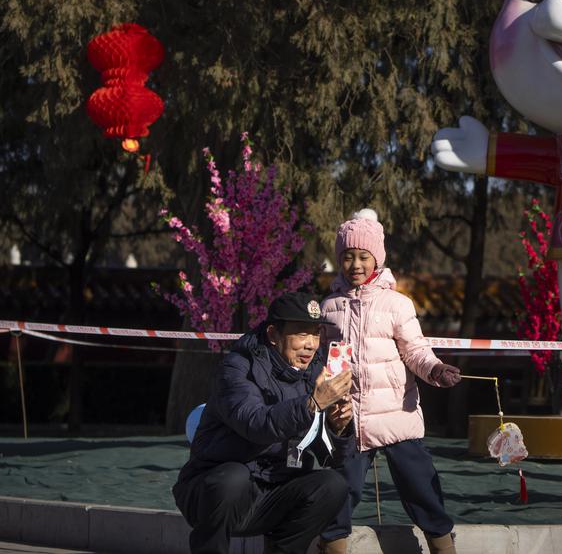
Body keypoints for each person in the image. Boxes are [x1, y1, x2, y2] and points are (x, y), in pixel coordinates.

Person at [317, 209, 462, 554]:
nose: (355, 264)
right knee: (340, 489)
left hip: (398, 414)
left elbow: (416, 351)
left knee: (421, 487)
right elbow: (321, 360)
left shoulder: (397, 304)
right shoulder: (328, 307)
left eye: (363, 256)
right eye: (348, 256)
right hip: (347, 417)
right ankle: (333, 547)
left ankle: (443, 546)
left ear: (377, 259)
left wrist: (435, 369)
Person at [173, 292, 355, 554]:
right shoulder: (236, 368)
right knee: (233, 478)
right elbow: (256, 424)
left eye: (315, 334)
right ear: (273, 334)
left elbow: (333, 459)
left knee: (332, 485)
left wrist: (339, 428)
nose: (311, 344)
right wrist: (312, 404)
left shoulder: (315, 372)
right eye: (301, 334)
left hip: (276, 488)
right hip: (213, 491)